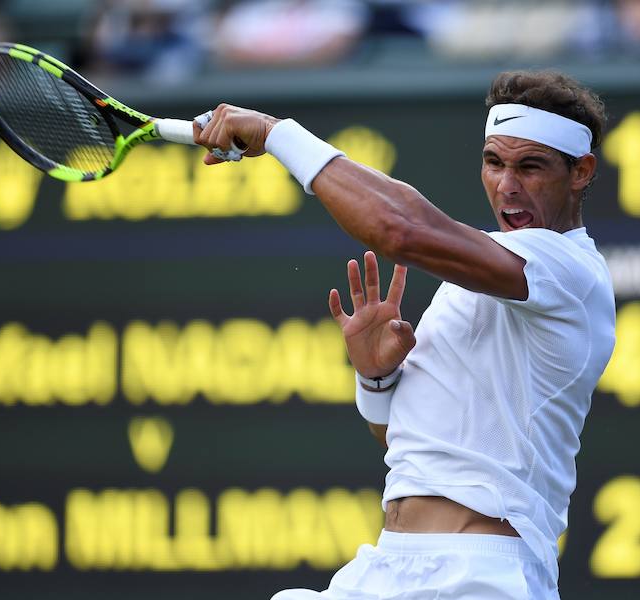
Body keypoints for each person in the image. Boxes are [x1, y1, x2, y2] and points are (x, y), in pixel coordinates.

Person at [193, 70, 616, 599]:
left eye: (530, 167)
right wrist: (376, 379)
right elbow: (401, 443)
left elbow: (398, 228)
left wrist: (277, 135)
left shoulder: (569, 269)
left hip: (481, 577)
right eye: (494, 162)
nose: (507, 185)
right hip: (389, 566)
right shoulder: (483, 276)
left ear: (581, 172)